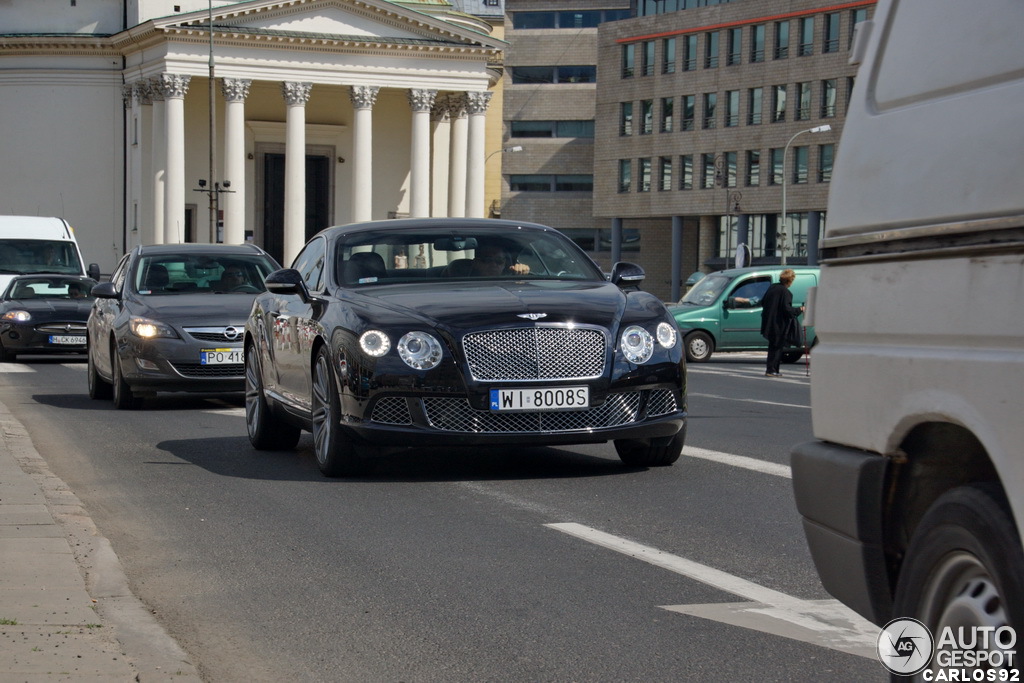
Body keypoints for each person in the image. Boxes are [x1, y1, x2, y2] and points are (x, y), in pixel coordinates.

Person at [760, 268, 804, 377]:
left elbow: (763, 302)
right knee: (777, 348)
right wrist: (800, 309)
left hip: (768, 322)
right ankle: (772, 370)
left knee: (772, 347)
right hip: (779, 324)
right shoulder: (786, 292)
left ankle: (771, 369)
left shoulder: (772, 287)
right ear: (790, 281)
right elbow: (787, 310)